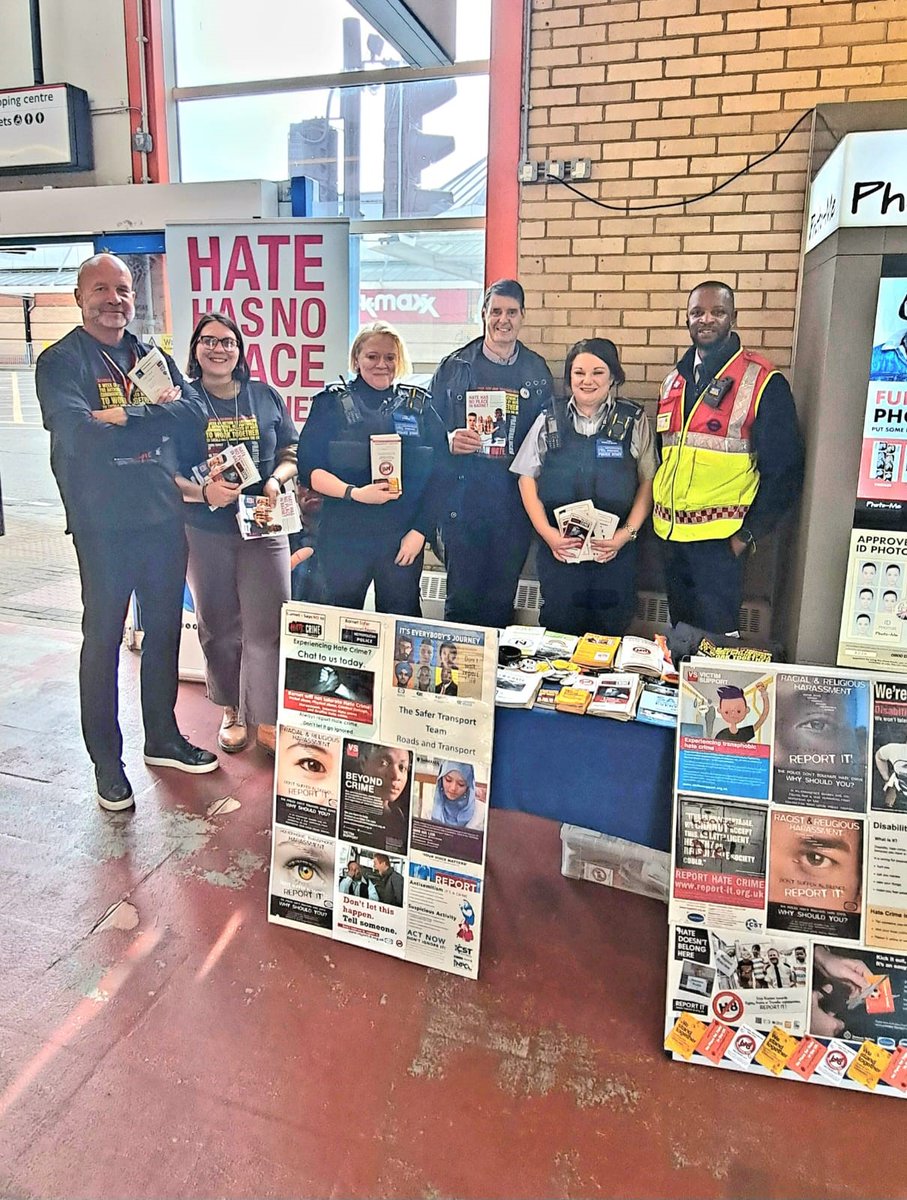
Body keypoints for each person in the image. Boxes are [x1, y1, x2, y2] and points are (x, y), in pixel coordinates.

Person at [35, 253, 218, 812]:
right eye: (102, 289)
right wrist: (144, 416)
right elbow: (78, 433)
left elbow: (193, 413)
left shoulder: (149, 355)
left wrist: (123, 418)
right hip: (103, 525)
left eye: (123, 290)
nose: (114, 299)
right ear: (79, 296)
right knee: (105, 641)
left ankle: (162, 738)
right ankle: (106, 762)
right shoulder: (60, 361)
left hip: (163, 517)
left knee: (163, 632)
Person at [171, 312, 298, 756]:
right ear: (195, 349)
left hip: (264, 523)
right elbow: (165, 472)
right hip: (206, 529)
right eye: (208, 341)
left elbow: (290, 451)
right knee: (219, 627)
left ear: (240, 350)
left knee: (269, 626)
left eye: (227, 341)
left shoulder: (264, 396)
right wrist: (204, 492)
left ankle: (266, 715)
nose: (218, 349)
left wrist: (276, 480)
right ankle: (231, 709)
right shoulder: (183, 402)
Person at [653, 281, 804, 633]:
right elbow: (667, 457)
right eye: (697, 312)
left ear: (733, 317)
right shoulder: (672, 382)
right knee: (680, 640)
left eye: (717, 312)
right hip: (672, 538)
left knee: (716, 648)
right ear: (686, 319)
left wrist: (745, 537)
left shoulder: (763, 380)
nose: (706, 319)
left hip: (720, 545)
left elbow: (785, 471)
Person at [297, 321, 447, 616]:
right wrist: (355, 493)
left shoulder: (418, 407)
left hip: (401, 538)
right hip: (343, 537)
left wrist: (421, 531)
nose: (382, 364)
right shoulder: (330, 404)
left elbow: (442, 476)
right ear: (356, 360)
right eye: (372, 356)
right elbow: (309, 467)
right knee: (339, 625)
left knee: (400, 628)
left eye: (390, 357)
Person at [430, 279, 555, 627]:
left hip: (513, 506)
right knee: (461, 600)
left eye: (512, 312)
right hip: (462, 504)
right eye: (496, 311)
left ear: (523, 317)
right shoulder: (454, 366)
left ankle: (495, 677)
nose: (504, 320)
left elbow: (549, 437)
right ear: (483, 314)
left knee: (501, 601)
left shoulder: (537, 371)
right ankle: (455, 679)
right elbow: (426, 430)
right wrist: (448, 439)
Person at [511, 337, 656, 636]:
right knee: (559, 631)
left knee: (610, 633)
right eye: (579, 373)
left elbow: (649, 482)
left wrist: (624, 536)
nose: (587, 380)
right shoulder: (549, 417)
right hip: (561, 552)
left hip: (615, 554)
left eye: (597, 372)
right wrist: (548, 534)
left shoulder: (634, 420)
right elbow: (526, 477)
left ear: (613, 376)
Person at [431, 761, 484, 830]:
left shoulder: (482, 813)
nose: (453, 788)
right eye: (448, 780)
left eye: (461, 784)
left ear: (468, 786)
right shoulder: (430, 806)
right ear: (440, 780)